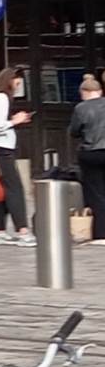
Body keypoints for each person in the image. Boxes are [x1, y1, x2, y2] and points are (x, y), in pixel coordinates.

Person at [0, 67, 36, 248]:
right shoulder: (1, 97)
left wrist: (13, 120)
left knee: (1, 190)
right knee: (15, 189)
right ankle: (22, 230)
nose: (18, 85)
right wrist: (15, 120)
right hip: (3, 148)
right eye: (17, 81)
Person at [69, 75, 105, 244]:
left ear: (84, 92)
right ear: (100, 91)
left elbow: (74, 131)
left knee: (95, 193)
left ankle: (100, 233)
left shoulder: (81, 108)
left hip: (91, 153)